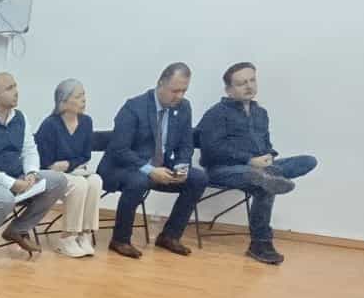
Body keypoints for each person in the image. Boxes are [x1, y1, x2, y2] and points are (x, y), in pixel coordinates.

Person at [196, 62, 319, 266]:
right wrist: (249, 160)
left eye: (252, 80)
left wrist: (269, 156)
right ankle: (260, 243)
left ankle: (269, 174)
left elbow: (266, 145)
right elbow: (211, 149)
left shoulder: (261, 113)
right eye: (241, 83)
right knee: (263, 184)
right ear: (229, 90)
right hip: (222, 169)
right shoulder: (216, 113)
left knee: (307, 161)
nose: (249, 86)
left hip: (258, 168)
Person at [0, 72, 71, 273]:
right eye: (9, 88)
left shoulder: (20, 118)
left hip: (14, 176)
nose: (16, 92)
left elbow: (29, 149)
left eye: (15, 86)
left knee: (58, 181)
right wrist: (12, 184)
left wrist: (31, 172)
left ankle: (18, 229)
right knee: (5, 199)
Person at [98, 63, 210, 258]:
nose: (180, 96)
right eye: (175, 91)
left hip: (160, 167)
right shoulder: (134, 107)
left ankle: (170, 236)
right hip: (121, 168)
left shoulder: (184, 107)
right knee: (139, 180)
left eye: (184, 90)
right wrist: (149, 170)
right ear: (160, 84)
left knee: (198, 178)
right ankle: (120, 240)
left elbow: (186, 145)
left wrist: (182, 167)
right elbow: (119, 150)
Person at [33, 79, 104, 258]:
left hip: (74, 170)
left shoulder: (86, 122)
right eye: (78, 96)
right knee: (80, 184)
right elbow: (45, 162)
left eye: (84, 95)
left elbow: (85, 155)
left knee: (95, 181)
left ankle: (85, 234)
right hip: (51, 175)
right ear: (63, 101)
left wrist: (68, 164)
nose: (84, 100)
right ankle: (67, 238)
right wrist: (66, 165)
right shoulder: (50, 125)